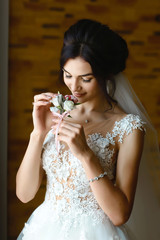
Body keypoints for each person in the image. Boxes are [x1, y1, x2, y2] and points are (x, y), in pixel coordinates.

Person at [16, 19, 160, 240]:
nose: (74, 87)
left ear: (105, 75)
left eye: (86, 79)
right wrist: (38, 134)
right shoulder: (57, 113)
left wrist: (85, 154)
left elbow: (120, 215)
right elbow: (24, 194)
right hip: (45, 230)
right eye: (68, 75)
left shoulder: (128, 127)